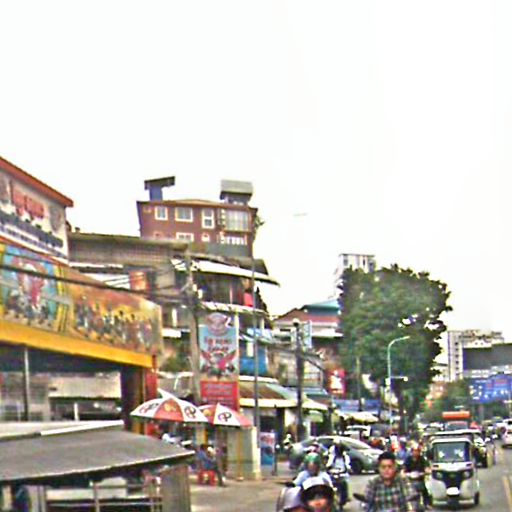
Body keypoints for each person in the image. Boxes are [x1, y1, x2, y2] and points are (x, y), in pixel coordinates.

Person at [326, 441, 351, 509]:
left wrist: (348, 469)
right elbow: (328, 464)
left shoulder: (345, 457)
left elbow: (347, 465)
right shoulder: (332, 457)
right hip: (333, 474)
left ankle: (346, 497)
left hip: (342, 475)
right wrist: (328, 468)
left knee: (345, 483)